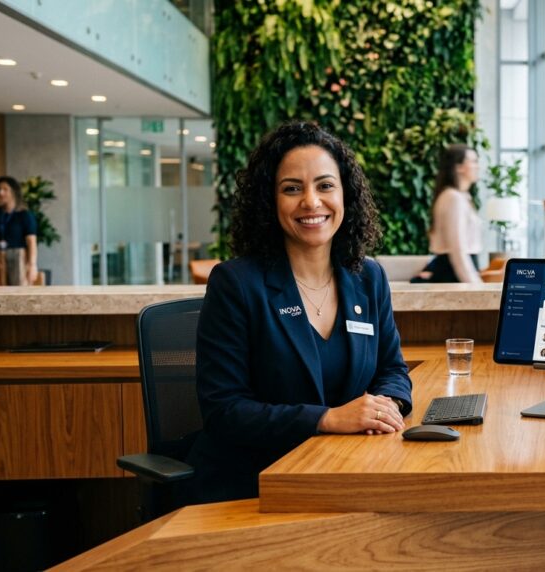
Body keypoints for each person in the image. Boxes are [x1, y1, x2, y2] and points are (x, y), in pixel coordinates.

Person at [186, 121, 413, 502]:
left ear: (345, 196)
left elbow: (392, 369)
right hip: (252, 485)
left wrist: (386, 406)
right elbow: (225, 411)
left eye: (325, 185)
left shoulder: (368, 277)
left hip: (344, 470)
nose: (311, 202)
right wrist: (328, 419)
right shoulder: (236, 283)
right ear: (270, 201)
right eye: (292, 188)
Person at [424, 144, 483, 283]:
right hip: (453, 273)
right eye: (473, 161)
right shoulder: (453, 198)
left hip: (454, 270)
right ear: (459, 167)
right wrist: (475, 285)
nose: (477, 166)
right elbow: (458, 249)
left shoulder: (459, 197)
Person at [0, 176, 38, 285]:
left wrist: (32, 265)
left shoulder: (24, 215)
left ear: (14, 192)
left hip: (18, 255)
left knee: (18, 291)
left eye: (5, 189)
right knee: (0, 291)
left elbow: (31, 241)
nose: (1, 192)